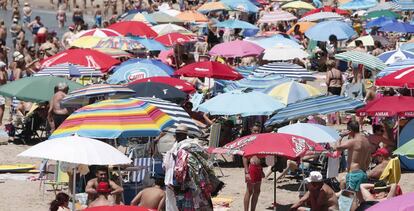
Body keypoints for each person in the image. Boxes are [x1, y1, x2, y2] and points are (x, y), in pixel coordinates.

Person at [335, 120, 372, 199]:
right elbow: (369, 159)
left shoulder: (353, 141)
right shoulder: (367, 141)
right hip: (363, 173)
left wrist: (340, 136)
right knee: (360, 199)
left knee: (349, 199)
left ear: (350, 130)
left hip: (354, 173)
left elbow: (337, 148)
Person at [243, 125, 263, 211]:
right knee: (249, 191)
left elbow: (259, 157)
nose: (256, 132)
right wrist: (247, 172)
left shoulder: (259, 142)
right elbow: (244, 157)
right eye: (255, 131)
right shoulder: (249, 141)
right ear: (251, 130)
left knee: (257, 191)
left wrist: (261, 170)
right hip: (252, 167)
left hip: (258, 167)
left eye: (258, 131)